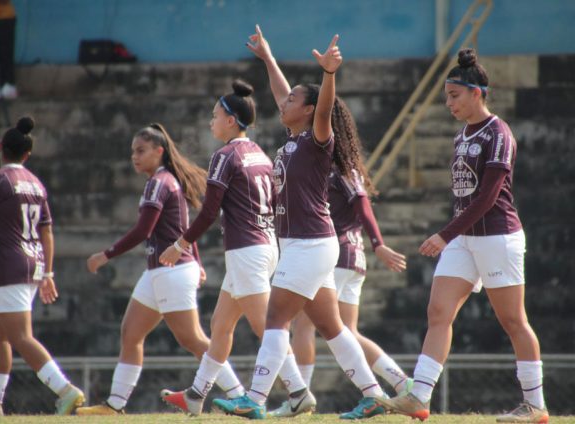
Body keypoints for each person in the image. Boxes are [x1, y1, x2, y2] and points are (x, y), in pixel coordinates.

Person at [211, 25, 386, 420]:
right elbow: (282, 93)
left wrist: (328, 74)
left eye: (292, 99)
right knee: (332, 328)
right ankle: (373, 394)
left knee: (276, 318)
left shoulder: (316, 138)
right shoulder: (292, 137)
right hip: (303, 245)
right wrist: (269, 58)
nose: (283, 101)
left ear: (306, 110)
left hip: (310, 244)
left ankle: (254, 399)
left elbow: (322, 108)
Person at [376, 49, 549, 424]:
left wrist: (444, 233)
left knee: (513, 321)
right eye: (446, 96)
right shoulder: (462, 135)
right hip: (463, 239)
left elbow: (487, 197)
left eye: (454, 95)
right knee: (438, 312)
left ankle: (536, 406)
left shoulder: (499, 133)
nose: (448, 103)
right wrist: (453, 235)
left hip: (497, 237)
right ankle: (418, 396)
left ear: (477, 93)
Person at [74, 123, 243, 415]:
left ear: (159, 151)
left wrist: (106, 254)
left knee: (192, 339)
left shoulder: (160, 182)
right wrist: (199, 263)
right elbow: (184, 228)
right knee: (131, 333)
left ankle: (240, 395)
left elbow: (143, 230)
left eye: (141, 151)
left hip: (172, 271)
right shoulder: (163, 181)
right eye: (132, 152)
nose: (134, 157)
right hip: (158, 272)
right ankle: (115, 404)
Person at [268, 97, 410, 419]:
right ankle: (400, 386)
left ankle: (299, 394)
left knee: (304, 327)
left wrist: (380, 244)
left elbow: (362, 204)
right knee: (343, 330)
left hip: (335, 252)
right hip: (350, 256)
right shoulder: (332, 157)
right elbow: (284, 97)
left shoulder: (327, 160)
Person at [0, 116, 84, 416]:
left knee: (21, 336)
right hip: (33, 264)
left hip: (10, 266)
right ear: (27, 154)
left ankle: (66, 390)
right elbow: (47, 230)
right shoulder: (36, 183)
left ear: (0, 148)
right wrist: (47, 272)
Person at [159, 79, 280, 415]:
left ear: (230, 120)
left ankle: (297, 392)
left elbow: (210, 211)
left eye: (215, 116)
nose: (211, 121)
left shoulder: (225, 155)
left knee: (266, 327)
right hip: (266, 246)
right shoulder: (260, 154)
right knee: (221, 325)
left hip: (246, 250)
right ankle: (197, 394)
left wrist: (180, 243)